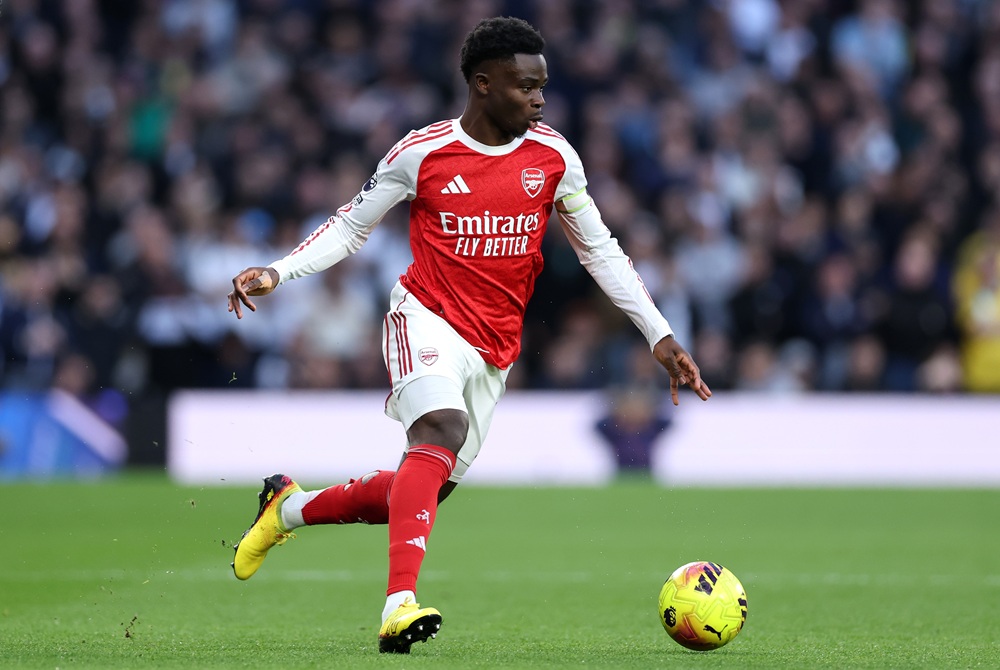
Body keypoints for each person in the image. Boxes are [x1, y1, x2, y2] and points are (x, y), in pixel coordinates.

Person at [226, 16, 712, 654]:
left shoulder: (554, 158)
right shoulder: (421, 153)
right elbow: (350, 226)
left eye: (542, 87)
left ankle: (287, 508)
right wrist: (277, 270)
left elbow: (603, 252)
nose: (539, 99)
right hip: (424, 315)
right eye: (525, 87)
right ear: (483, 85)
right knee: (439, 432)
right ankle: (398, 605)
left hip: (494, 348)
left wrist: (660, 336)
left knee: (421, 489)